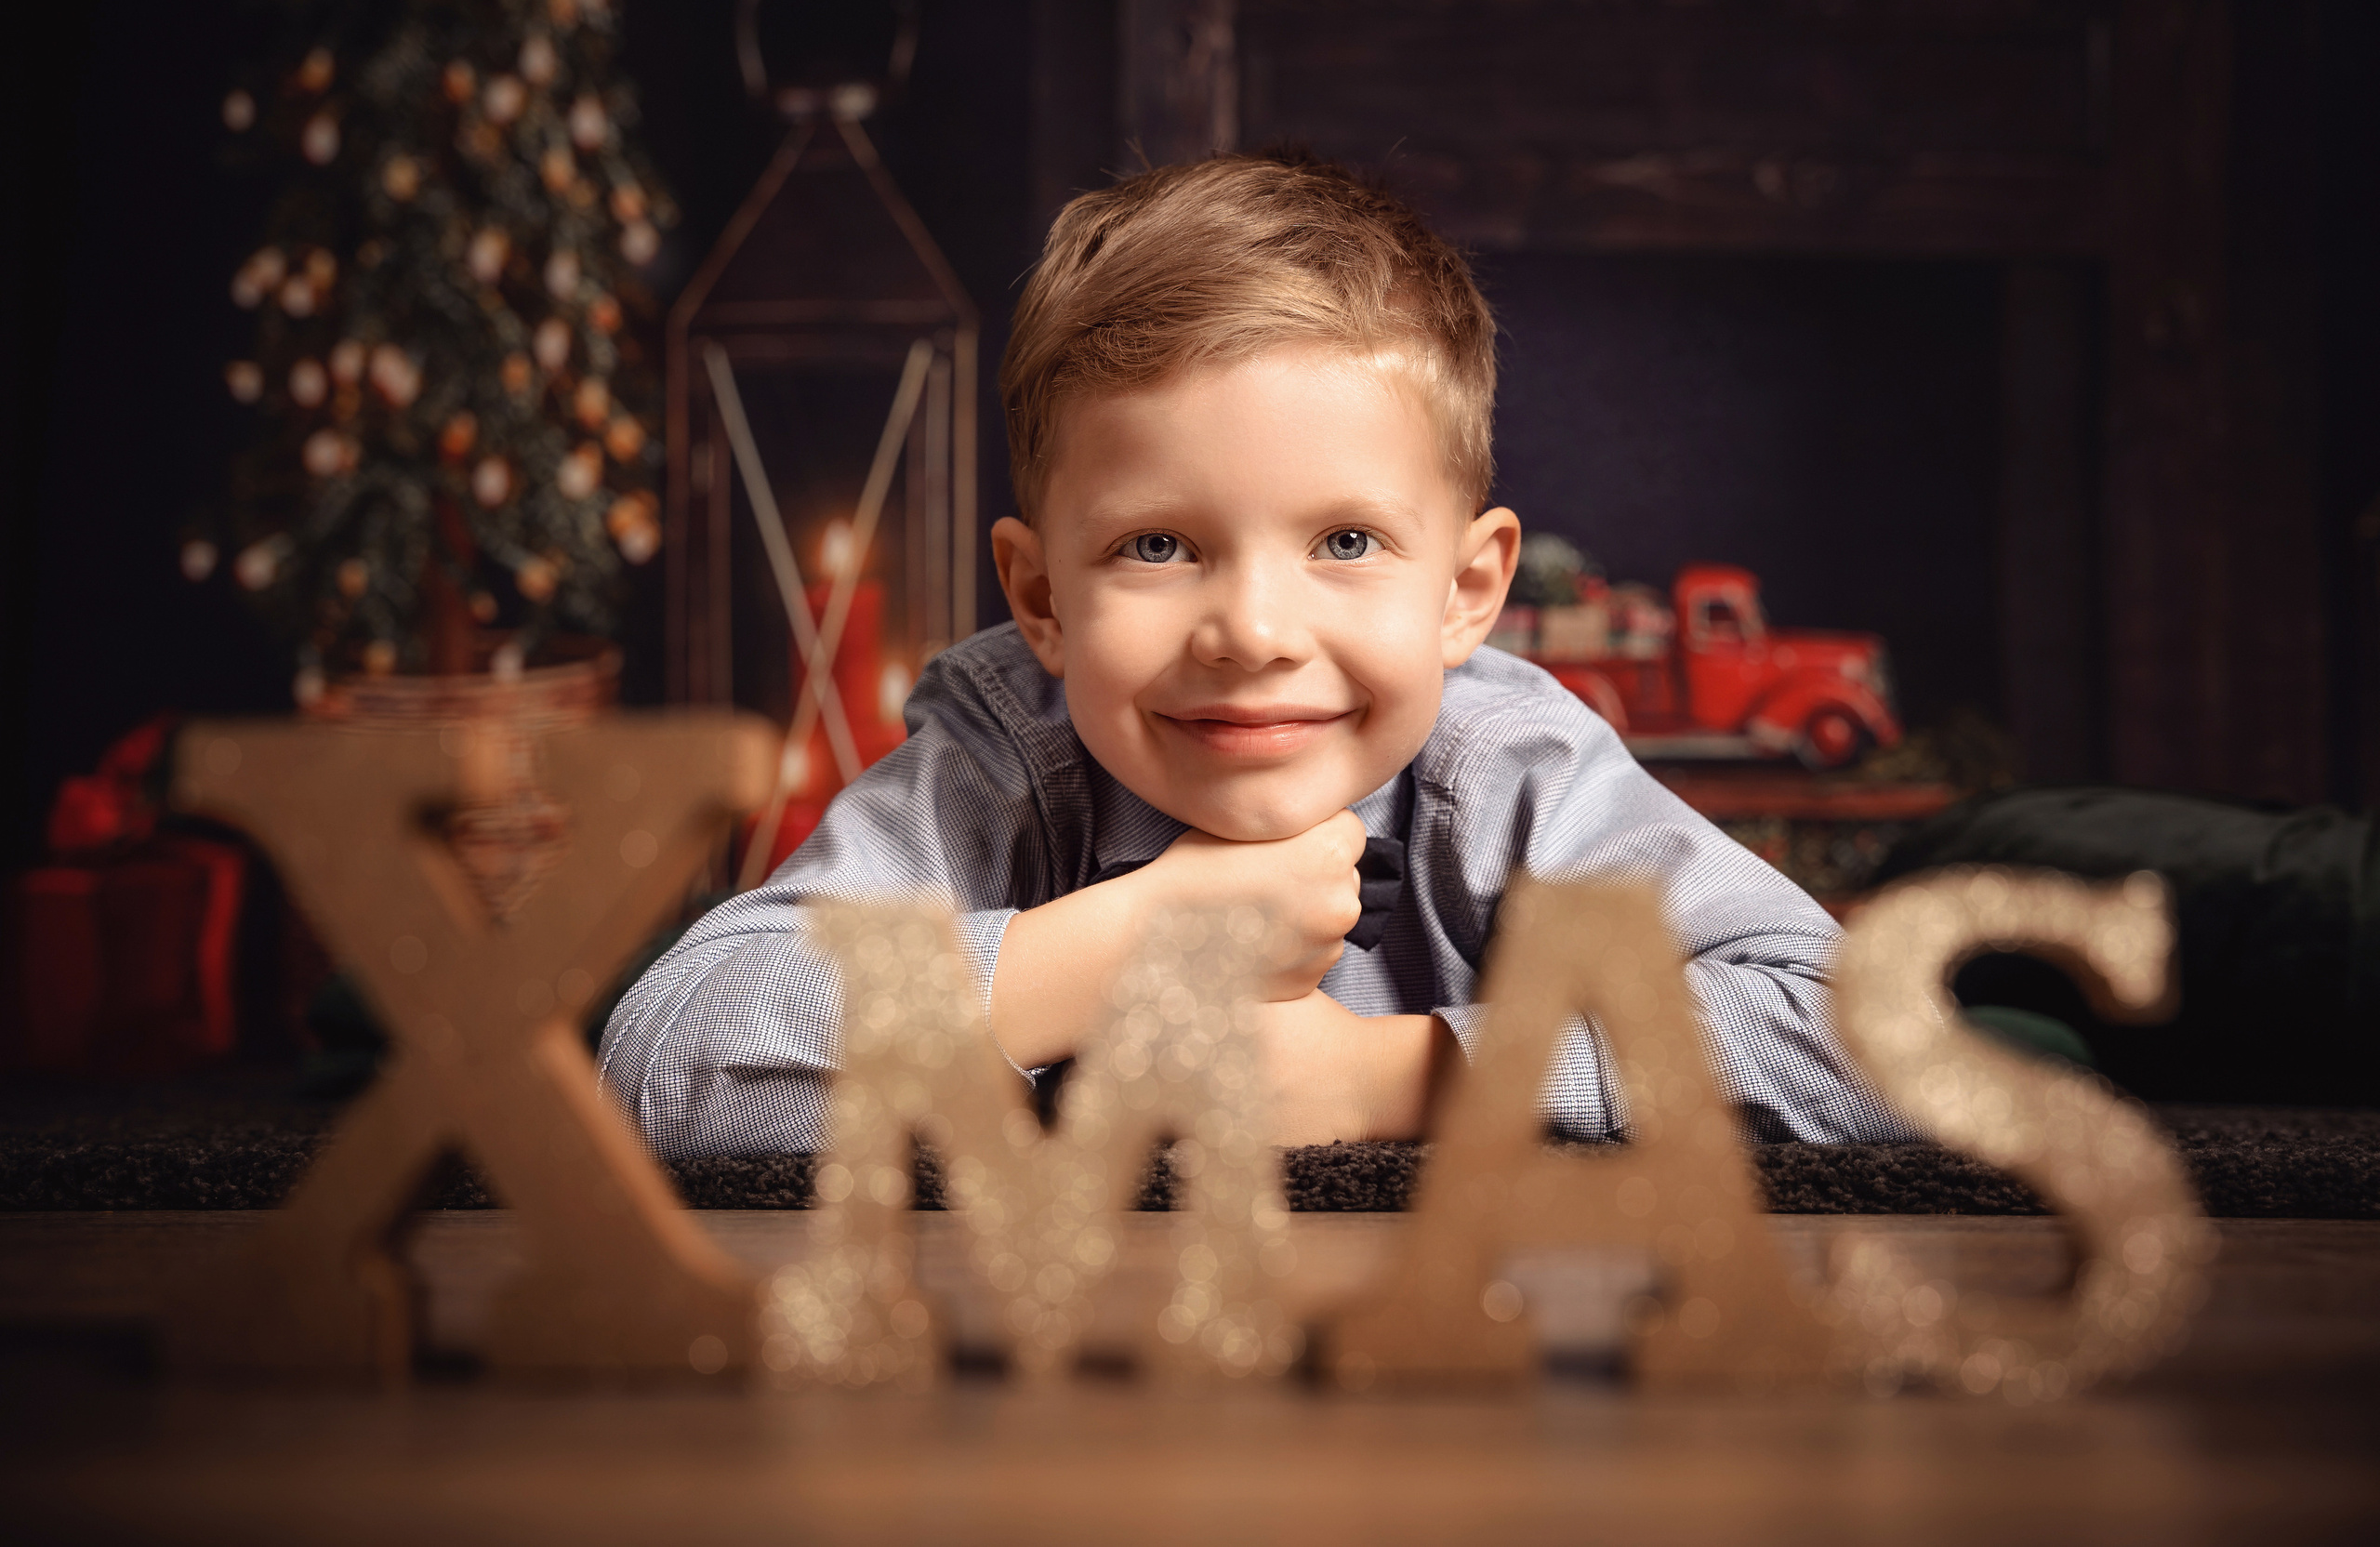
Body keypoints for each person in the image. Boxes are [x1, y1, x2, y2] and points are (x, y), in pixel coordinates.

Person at [600, 151, 1906, 1157]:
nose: (1257, 635)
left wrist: (1393, 1076)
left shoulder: (1510, 771)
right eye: (1160, 548)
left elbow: (1876, 1044)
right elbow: (668, 1065)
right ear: (1039, 596)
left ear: (1466, 591)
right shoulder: (1005, 762)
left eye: (1344, 541)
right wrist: (1138, 941)